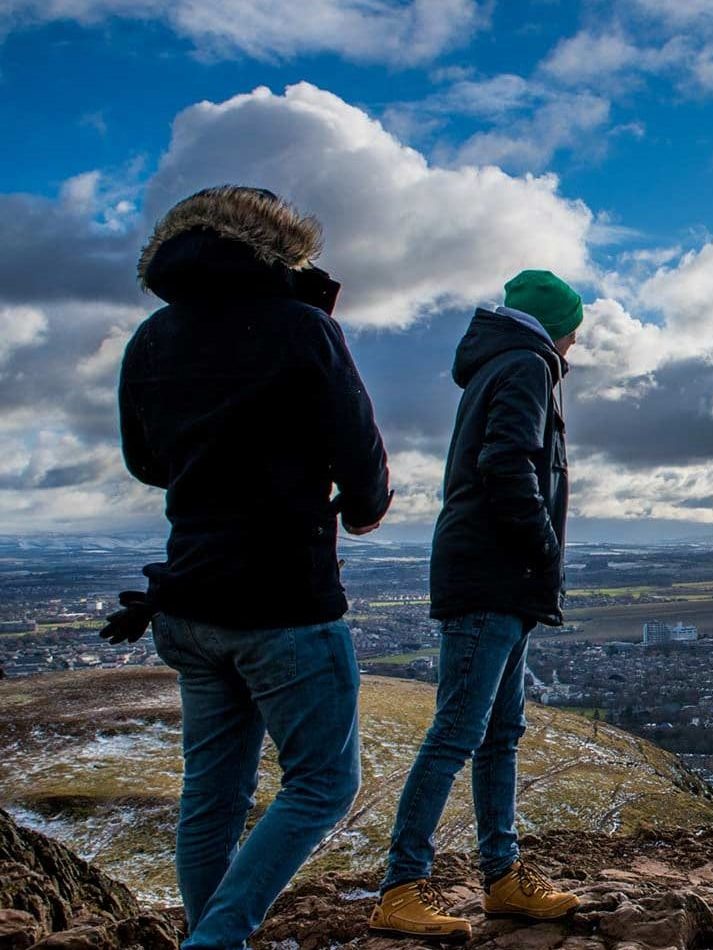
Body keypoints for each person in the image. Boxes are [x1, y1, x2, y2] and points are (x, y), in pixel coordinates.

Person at [114, 185, 392, 950]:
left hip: (189, 599)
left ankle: (211, 937)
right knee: (325, 783)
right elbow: (361, 460)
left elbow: (146, 461)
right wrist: (361, 507)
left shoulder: (151, 338)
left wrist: (212, 466)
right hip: (283, 602)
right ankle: (217, 939)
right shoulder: (303, 330)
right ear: (279, 248)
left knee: (212, 795)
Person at [369, 270, 583, 940]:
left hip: (501, 577)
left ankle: (502, 879)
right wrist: (543, 546)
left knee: (497, 733)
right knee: (459, 731)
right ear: (559, 325)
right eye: (576, 328)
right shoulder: (525, 365)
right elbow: (507, 464)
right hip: (493, 574)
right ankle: (401, 887)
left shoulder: (505, 364)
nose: (579, 342)